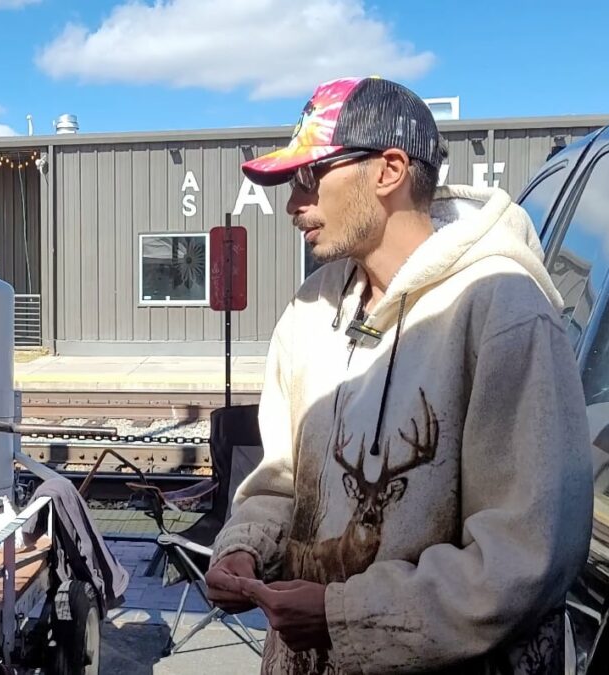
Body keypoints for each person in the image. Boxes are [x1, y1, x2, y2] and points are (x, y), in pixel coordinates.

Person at [204, 76, 593, 673]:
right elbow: (281, 480)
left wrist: (344, 617)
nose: (292, 204)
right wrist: (245, 548)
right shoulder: (309, 309)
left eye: (310, 177)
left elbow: (526, 554)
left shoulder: (504, 311)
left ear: (388, 170)